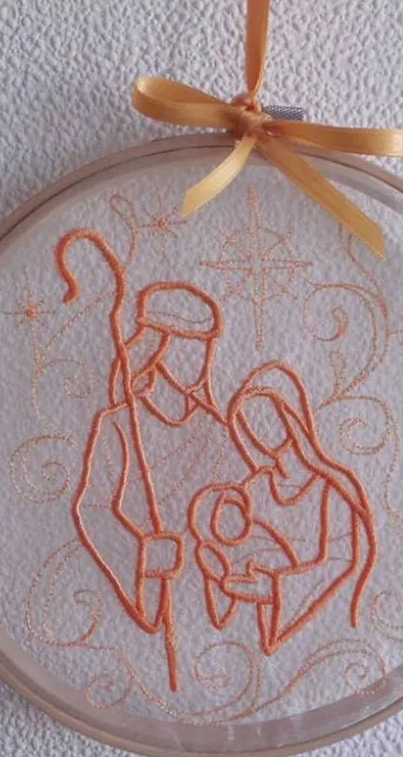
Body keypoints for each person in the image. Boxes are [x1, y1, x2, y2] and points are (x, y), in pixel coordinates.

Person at [55, 229, 245, 692]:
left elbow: (242, 503)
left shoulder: (215, 430)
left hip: (207, 578)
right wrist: (140, 552)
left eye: (205, 343)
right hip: (156, 578)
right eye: (189, 342)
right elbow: (94, 507)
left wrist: (222, 547)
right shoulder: (121, 424)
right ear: (158, 343)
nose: (201, 356)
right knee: (170, 674)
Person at [188, 361, 377, 656]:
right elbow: (236, 540)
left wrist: (275, 589)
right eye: (250, 422)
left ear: (292, 419)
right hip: (254, 619)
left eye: (269, 419)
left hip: (315, 629)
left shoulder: (331, 489)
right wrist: (221, 571)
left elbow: (340, 563)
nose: (261, 434)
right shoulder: (253, 488)